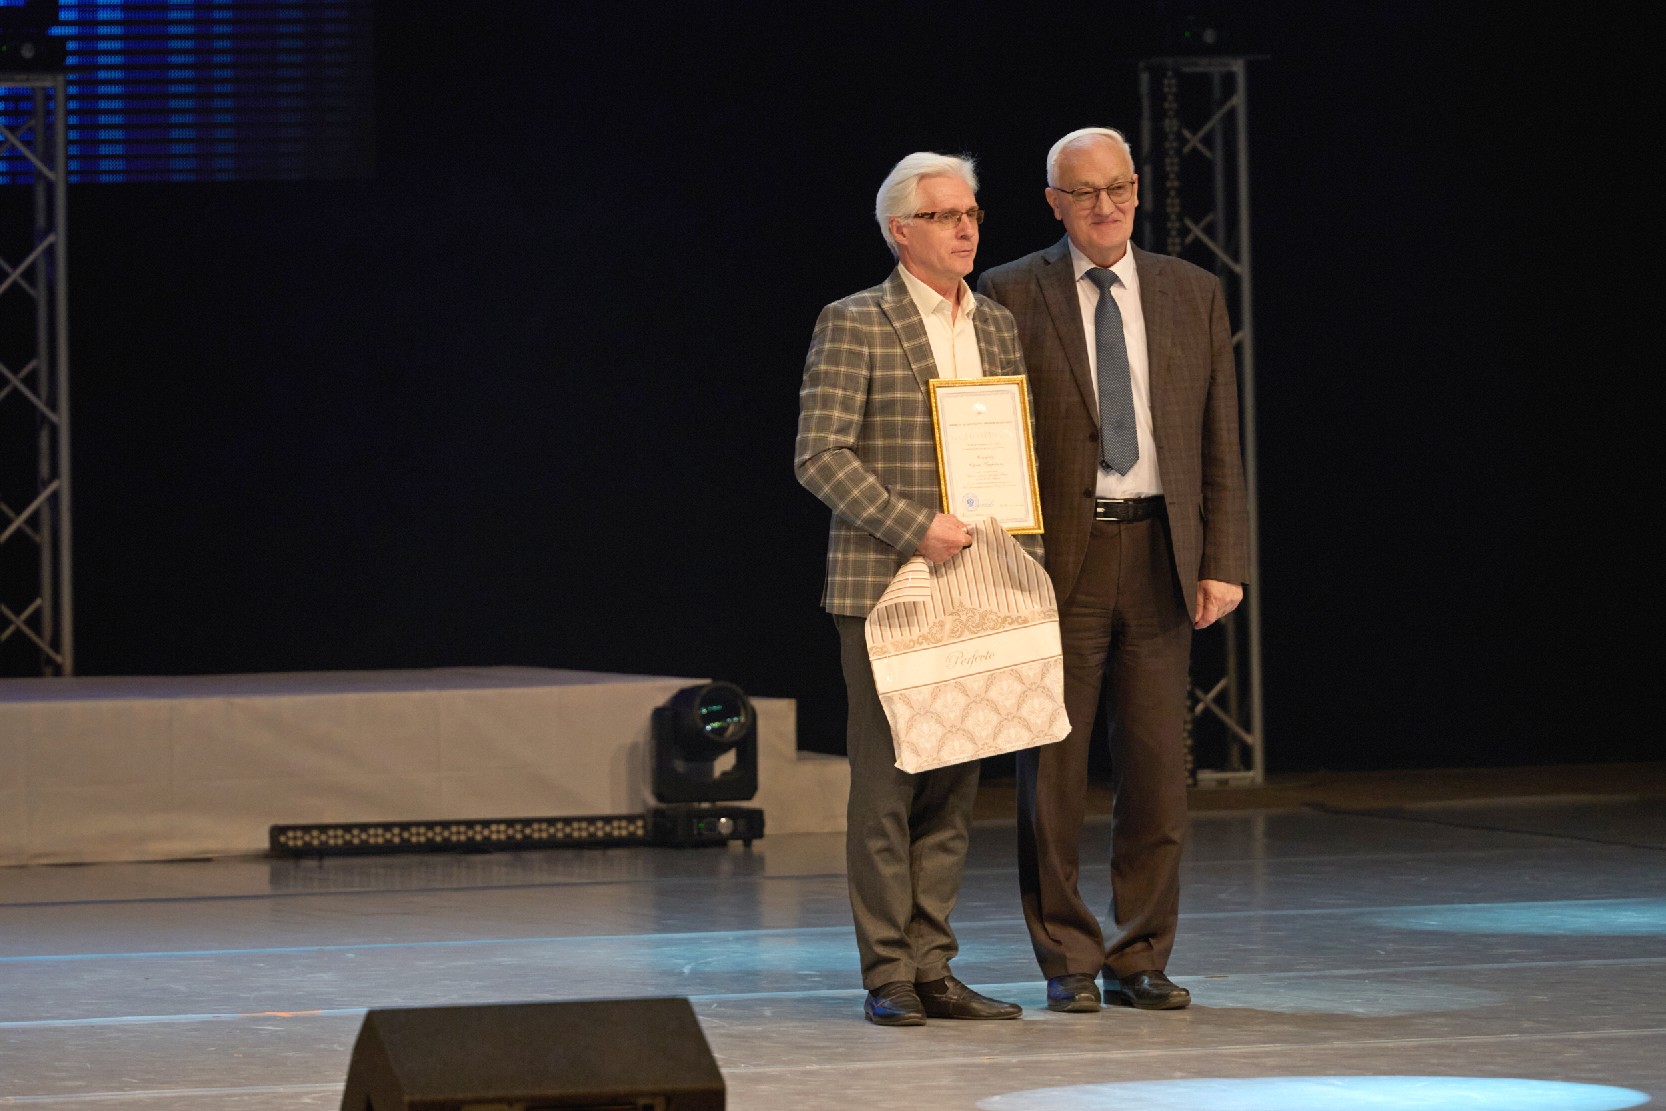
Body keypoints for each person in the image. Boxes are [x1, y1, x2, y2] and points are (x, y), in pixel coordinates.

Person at [976, 126, 1250, 1012]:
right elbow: (990, 435)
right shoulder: (1009, 291)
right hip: (1061, 558)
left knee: (1158, 773)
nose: (1106, 206)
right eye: (1085, 192)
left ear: (1137, 189)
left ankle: (1141, 955)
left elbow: (1219, 437)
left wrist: (1223, 559)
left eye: (1119, 187)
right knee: (1052, 773)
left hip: (1162, 552)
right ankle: (1066, 956)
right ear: (1053, 203)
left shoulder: (1192, 290)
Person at [795, 151, 1041, 1026]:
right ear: (901, 230)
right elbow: (819, 455)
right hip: (887, 582)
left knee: (954, 781)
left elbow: (1011, 451)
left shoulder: (997, 324)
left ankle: (935, 963)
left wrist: (1021, 562)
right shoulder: (854, 320)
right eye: (945, 215)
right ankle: (888, 971)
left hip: (979, 582)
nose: (966, 228)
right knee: (888, 782)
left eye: (972, 213)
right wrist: (913, 526)